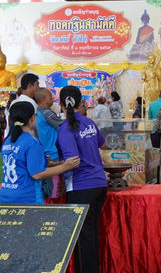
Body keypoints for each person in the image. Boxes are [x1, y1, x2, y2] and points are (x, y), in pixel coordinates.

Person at [57, 86, 107, 273]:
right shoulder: (89, 122)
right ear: (81, 103)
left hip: (81, 186)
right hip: (99, 184)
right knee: (89, 234)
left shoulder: (65, 129)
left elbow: (73, 162)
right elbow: (104, 143)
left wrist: (52, 164)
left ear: (61, 104)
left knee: (84, 238)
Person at [0, 102, 79, 204]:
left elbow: (21, 164)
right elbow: (37, 174)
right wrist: (66, 166)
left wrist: (55, 163)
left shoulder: (8, 141)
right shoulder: (31, 142)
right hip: (27, 198)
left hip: (6, 195)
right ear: (32, 118)